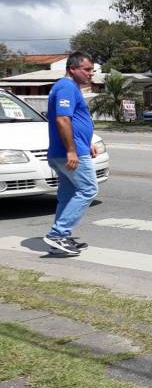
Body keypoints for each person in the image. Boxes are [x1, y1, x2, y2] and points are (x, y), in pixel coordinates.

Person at [43, 51, 98, 256]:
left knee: (67, 195)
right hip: (70, 153)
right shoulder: (66, 87)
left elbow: (73, 120)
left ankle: (59, 241)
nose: (91, 73)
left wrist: (87, 142)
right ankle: (58, 234)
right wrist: (72, 150)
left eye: (92, 70)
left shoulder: (69, 87)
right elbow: (63, 119)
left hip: (69, 150)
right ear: (72, 69)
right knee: (88, 189)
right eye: (87, 69)